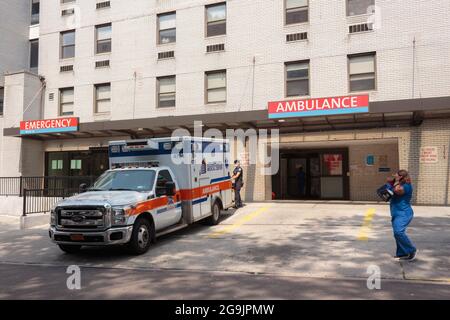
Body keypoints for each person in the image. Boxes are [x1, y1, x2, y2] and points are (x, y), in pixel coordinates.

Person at [387, 170, 417, 261]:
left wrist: (394, 182)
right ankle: (402, 253)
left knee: (398, 232)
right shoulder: (397, 184)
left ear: (400, 177)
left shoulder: (406, 186)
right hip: (396, 212)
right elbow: (389, 190)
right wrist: (389, 184)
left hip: (403, 213)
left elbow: (397, 191)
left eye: (396, 175)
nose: (394, 176)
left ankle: (411, 250)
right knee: (397, 234)